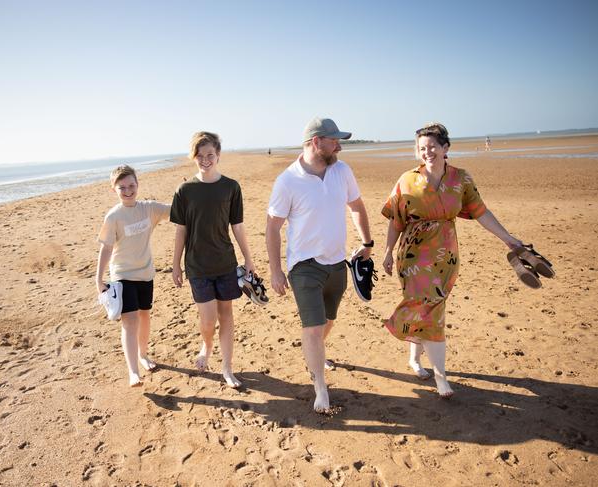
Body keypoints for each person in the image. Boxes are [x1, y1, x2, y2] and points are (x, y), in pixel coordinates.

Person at [381, 122, 522, 398]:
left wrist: (508, 239)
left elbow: (481, 212)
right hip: (413, 256)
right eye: (422, 148)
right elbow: (396, 221)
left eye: (432, 146)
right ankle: (441, 378)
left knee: (429, 307)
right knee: (432, 308)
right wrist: (387, 251)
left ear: (446, 148)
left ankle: (414, 359)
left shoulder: (461, 179)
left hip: (446, 255)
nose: (427, 152)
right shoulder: (407, 179)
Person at [266, 117, 373, 413]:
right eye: (334, 140)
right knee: (312, 329)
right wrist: (276, 270)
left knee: (327, 322)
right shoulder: (288, 180)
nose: (339, 145)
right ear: (316, 142)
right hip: (304, 265)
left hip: (337, 263)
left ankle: (315, 354)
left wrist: (367, 242)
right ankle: (320, 389)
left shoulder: (342, 170)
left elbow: (357, 207)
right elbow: (272, 227)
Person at [170, 131, 256, 389]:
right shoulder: (184, 190)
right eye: (200, 155)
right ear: (193, 157)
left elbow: (238, 227)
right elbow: (181, 230)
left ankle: (227, 368)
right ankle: (206, 345)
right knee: (208, 319)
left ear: (218, 155)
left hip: (225, 264)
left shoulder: (231, 187)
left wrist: (249, 259)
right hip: (197, 266)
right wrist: (176, 264)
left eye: (210, 155)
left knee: (226, 315)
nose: (205, 159)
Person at [96, 165, 171, 387]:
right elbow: (106, 248)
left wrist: (194, 188)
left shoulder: (149, 209)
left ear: (138, 184)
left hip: (146, 273)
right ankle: (133, 372)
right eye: (122, 187)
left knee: (144, 316)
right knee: (129, 322)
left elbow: (178, 208)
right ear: (114, 189)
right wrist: (98, 279)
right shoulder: (113, 216)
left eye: (131, 185)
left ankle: (144, 354)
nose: (128, 191)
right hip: (122, 275)